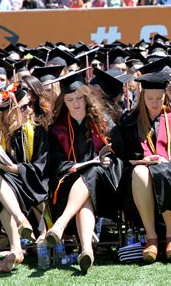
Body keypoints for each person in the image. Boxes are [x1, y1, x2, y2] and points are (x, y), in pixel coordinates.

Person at [46, 70, 123, 274]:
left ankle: (61, 224)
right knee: (85, 182)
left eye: (79, 97)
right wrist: (79, 166)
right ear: (64, 102)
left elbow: (118, 153)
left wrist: (106, 159)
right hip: (69, 188)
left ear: (87, 97)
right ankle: (87, 249)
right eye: (70, 99)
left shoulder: (104, 122)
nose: (76, 103)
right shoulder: (57, 129)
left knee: (92, 173)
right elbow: (55, 165)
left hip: (105, 189)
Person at [0, 82, 49, 273]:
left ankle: (16, 246)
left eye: (30, 105)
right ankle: (18, 239)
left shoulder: (37, 131)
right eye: (24, 106)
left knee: (0, 175)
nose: (29, 110)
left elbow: (41, 167)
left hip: (29, 185)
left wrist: (16, 168)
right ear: (11, 110)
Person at [119, 71, 171, 263]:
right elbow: (124, 155)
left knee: (164, 171)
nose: (155, 102)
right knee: (141, 171)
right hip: (139, 179)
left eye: (159, 97)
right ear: (142, 97)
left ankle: (170, 236)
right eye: (150, 98)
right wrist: (145, 159)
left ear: (166, 96)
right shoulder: (130, 122)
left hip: (170, 173)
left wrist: (168, 161)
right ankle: (152, 238)